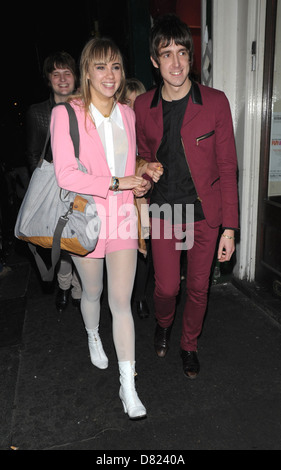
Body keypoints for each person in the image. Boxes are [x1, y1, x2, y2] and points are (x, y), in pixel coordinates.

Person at [50, 37, 155, 420]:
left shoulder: (128, 113)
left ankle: (128, 385)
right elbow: (66, 174)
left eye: (115, 66)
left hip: (124, 216)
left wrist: (138, 180)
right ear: (87, 71)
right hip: (87, 218)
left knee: (121, 302)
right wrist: (117, 182)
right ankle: (93, 334)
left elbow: (132, 167)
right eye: (100, 67)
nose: (109, 75)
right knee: (92, 291)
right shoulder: (67, 114)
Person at [134, 14, 239, 379]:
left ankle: (189, 344)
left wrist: (230, 228)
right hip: (165, 211)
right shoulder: (142, 107)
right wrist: (145, 165)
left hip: (203, 213)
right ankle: (164, 322)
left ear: (191, 58)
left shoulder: (214, 102)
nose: (175, 63)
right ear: (154, 61)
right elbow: (138, 155)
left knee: (197, 287)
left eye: (182, 53)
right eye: (166, 54)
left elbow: (228, 167)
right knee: (165, 287)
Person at [25, 51, 82, 312]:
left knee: (81, 235)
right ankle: (64, 282)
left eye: (67, 73)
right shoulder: (38, 113)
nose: (62, 79)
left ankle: (79, 285)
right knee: (61, 237)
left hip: (84, 184)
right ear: (48, 79)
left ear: (76, 77)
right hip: (56, 186)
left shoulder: (86, 107)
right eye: (56, 74)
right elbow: (34, 155)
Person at [121, 78, 152, 319]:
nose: (131, 106)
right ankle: (122, 299)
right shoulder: (114, 130)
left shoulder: (149, 129)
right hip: (119, 198)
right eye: (126, 100)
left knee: (143, 246)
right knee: (122, 250)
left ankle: (140, 297)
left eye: (136, 101)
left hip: (144, 199)